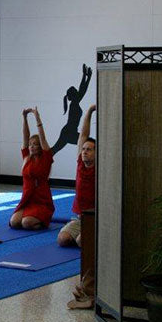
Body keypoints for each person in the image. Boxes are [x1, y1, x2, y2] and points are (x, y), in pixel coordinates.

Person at [9, 107, 54, 230]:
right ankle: (31, 216)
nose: (31, 147)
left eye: (35, 144)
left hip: (41, 200)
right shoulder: (26, 158)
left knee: (26, 223)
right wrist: (24, 118)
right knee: (14, 222)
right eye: (30, 145)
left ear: (40, 147)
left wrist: (37, 117)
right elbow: (25, 136)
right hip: (28, 199)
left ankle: (43, 220)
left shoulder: (46, 158)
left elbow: (43, 138)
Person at [58, 104, 96, 248]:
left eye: (89, 150)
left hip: (95, 217)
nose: (85, 152)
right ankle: (85, 236)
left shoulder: (101, 168)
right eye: (84, 149)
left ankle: (90, 236)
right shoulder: (80, 163)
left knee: (81, 241)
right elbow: (83, 135)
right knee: (62, 240)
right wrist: (90, 111)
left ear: (97, 152)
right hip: (80, 218)